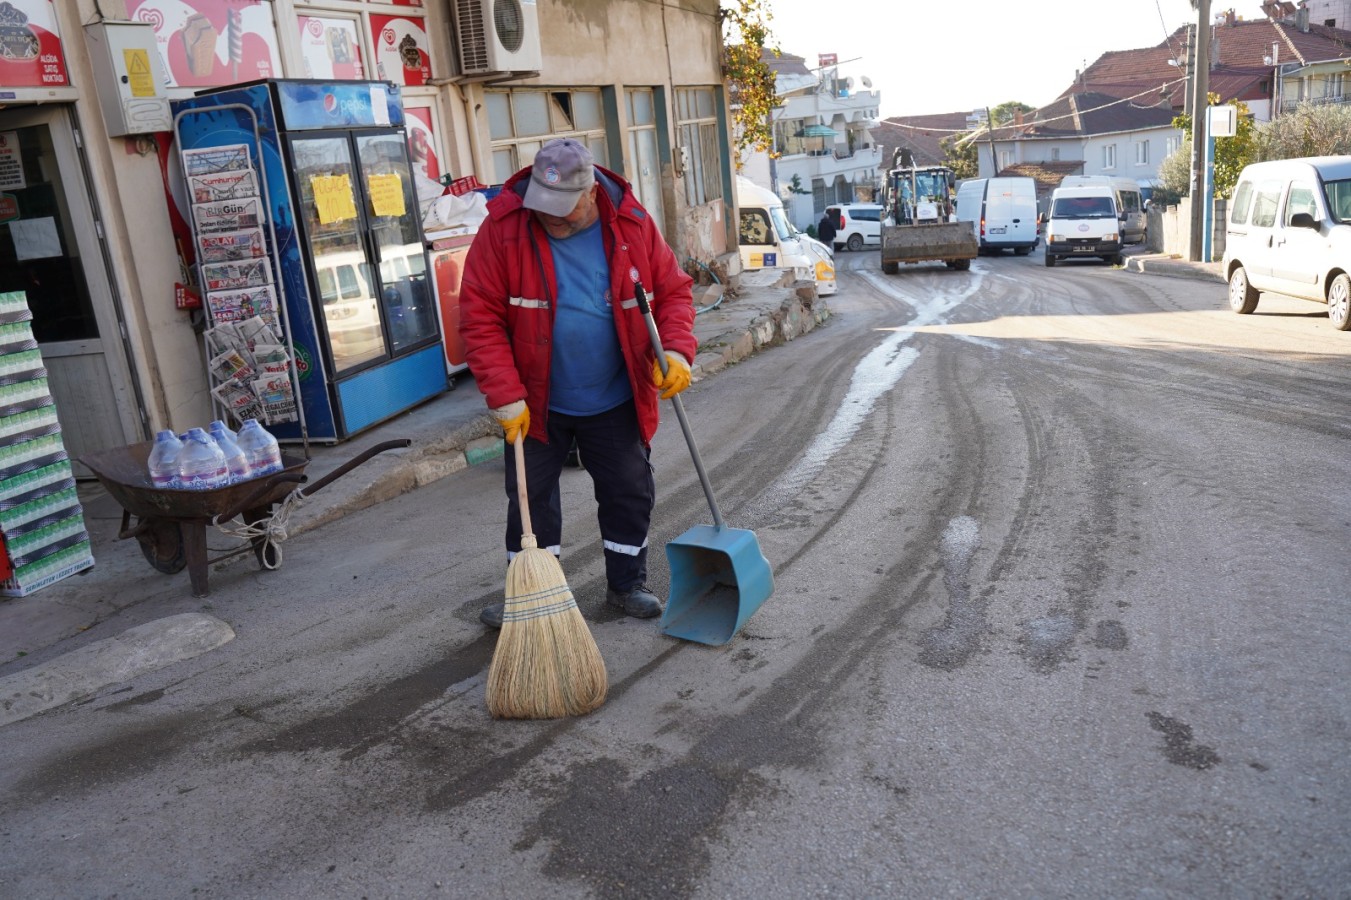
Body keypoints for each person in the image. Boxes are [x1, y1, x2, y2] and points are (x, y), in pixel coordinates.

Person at [459, 138, 698, 629]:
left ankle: (627, 585)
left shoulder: (632, 225)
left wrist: (675, 351)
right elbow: (479, 317)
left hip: (615, 393)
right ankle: (532, 593)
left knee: (628, 490)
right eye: (543, 205)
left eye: (562, 207)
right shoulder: (504, 228)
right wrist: (504, 394)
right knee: (530, 499)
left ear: (590, 193)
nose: (551, 217)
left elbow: (674, 293)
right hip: (534, 401)